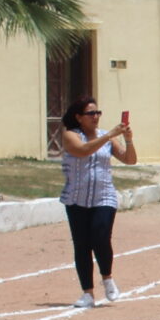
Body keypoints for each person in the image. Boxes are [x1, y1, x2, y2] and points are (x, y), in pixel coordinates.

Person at [57, 96, 137, 308]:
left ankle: (107, 278)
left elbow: (130, 160)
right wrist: (110, 135)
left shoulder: (106, 138)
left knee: (101, 236)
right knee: (82, 244)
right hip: (76, 197)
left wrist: (128, 140)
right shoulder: (71, 135)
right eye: (91, 113)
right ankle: (87, 293)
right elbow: (83, 150)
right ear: (79, 117)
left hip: (104, 196)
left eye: (97, 113)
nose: (95, 117)